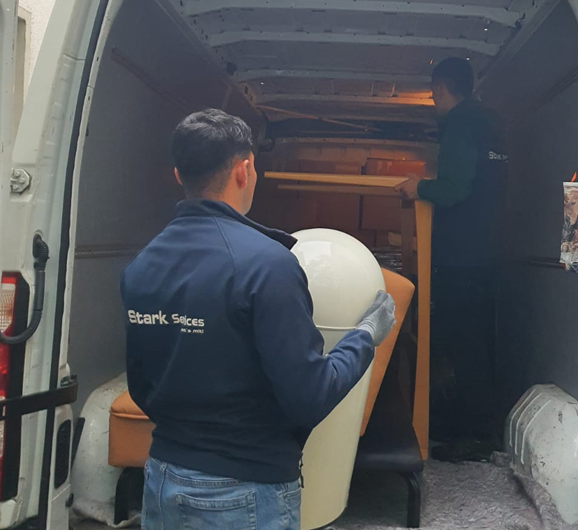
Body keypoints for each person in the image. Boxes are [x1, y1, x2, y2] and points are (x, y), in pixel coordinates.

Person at [120, 108, 395, 530]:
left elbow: (141, 388)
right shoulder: (267, 266)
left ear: (179, 175)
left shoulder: (141, 266)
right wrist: (364, 336)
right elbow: (309, 396)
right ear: (244, 170)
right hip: (244, 490)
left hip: (162, 480)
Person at [395, 57, 507, 462]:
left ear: (441, 90)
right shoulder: (491, 122)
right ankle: (464, 424)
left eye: (433, 94)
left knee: (461, 344)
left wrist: (420, 187)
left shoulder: (461, 124)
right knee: (476, 341)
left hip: (460, 257)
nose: (433, 101)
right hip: (485, 252)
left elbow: (456, 188)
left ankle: (475, 434)